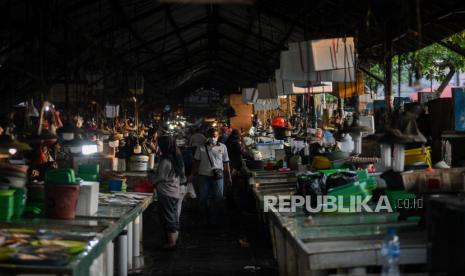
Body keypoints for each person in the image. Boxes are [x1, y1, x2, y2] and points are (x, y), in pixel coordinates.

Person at [191, 128, 232, 225]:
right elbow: (196, 162)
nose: (212, 138)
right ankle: (204, 219)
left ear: (218, 136)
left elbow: (226, 164)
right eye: (211, 136)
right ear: (207, 137)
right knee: (202, 198)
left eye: (214, 136)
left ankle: (216, 220)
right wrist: (192, 175)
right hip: (203, 176)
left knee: (218, 198)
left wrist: (229, 176)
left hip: (218, 177)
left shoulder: (223, 147)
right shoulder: (200, 147)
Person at [151, 135, 186, 249]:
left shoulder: (166, 160)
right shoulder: (175, 156)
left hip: (167, 193)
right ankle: (175, 241)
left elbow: (161, 177)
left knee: (168, 218)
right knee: (173, 217)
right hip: (174, 191)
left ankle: (172, 244)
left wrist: (151, 179)